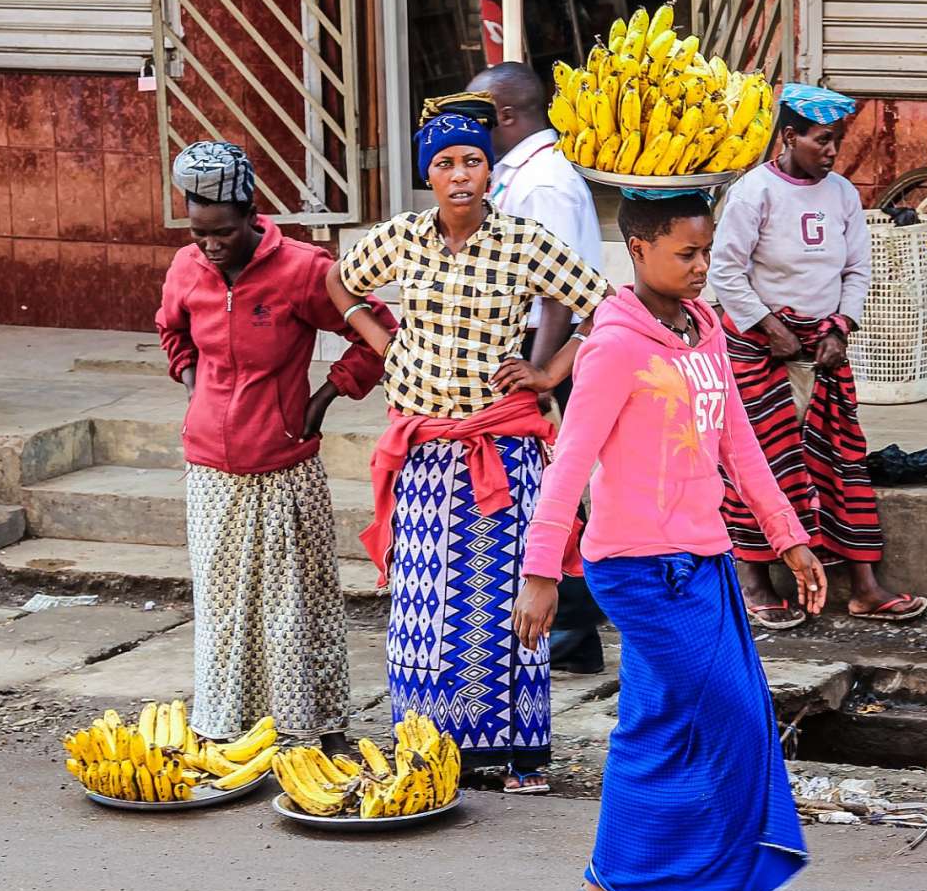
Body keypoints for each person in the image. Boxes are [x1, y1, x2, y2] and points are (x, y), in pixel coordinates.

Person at [515, 192, 833, 891]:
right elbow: (571, 463)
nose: (701, 266)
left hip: (706, 558)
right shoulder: (612, 345)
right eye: (686, 253)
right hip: (638, 568)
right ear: (638, 248)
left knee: (654, 725)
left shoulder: (707, 330)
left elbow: (741, 449)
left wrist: (789, 537)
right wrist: (540, 570)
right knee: (733, 714)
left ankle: (613, 881)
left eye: (706, 250)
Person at [323, 96, 613, 793]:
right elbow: (338, 280)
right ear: (431, 173)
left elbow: (604, 305)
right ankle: (428, 753)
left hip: (500, 453)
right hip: (423, 456)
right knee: (423, 615)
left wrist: (547, 371)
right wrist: (382, 339)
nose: (460, 175)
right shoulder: (401, 238)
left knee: (504, 606)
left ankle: (515, 759)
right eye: (447, 163)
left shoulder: (523, 241)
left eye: (473, 162)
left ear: (490, 173)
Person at [155, 141, 394, 755]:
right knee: (221, 606)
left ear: (249, 214)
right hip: (210, 468)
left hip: (284, 466)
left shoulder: (304, 269)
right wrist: (194, 385)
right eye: (198, 232)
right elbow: (170, 329)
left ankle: (309, 729)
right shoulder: (186, 268)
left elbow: (377, 332)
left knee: (293, 606)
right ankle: (227, 728)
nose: (210, 245)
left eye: (222, 232)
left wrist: (324, 399)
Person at [708, 83, 926, 630]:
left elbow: (857, 271)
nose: (831, 152)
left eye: (836, 141)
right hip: (760, 351)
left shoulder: (843, 195)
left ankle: (864, 587)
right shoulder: (753, 193)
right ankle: (753, 581)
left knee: (842, 463)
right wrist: (770, 328)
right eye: (822, 141)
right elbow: (725, 273)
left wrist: (840, 327)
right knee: (757, 467)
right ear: (789, 137)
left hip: (824, 351)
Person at [468, 61, 608, 674]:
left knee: (560, 490)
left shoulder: (543, 183)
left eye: (476, 112)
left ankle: (572, 627)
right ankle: (570, 631)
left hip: (548, 352)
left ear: (505, 114)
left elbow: (556, 288)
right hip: (536, 349)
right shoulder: (520, 175)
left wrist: (540, 372)